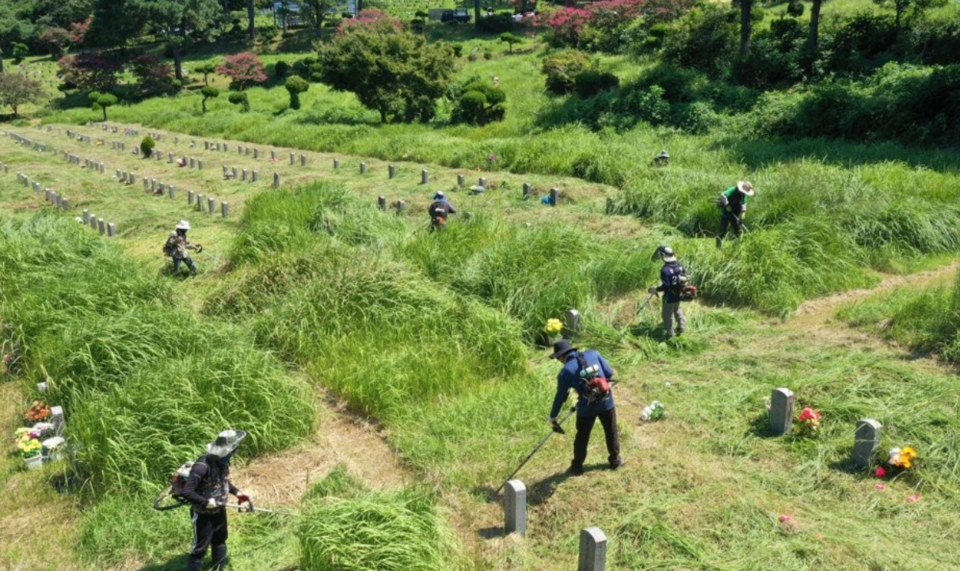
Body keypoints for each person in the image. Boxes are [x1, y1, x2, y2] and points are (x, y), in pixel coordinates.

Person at [548, 339, 622, 475]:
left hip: (586, 408)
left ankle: (577, 467)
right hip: (606, 401)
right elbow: (609, 372)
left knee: (582, 436)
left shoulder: (565, 372)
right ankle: (615, 460)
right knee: (611, 431)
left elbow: (560, 397)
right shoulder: (594, 353)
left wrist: (553, 416)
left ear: (560, 356)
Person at [180, 430, 251, 571]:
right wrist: (206, 502)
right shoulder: (201, 467)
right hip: (203, 515)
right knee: (199, 548)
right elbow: (187, 492)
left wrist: (238, 494)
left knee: (220, 539)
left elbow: (224, 482)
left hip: (219, 509)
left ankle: (219, 567)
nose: (234, 452)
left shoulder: (223, 463)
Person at [649, 246, 687, 338]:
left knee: (667, 315)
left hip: (669, 296)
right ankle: (681, 327)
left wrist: (656, 289)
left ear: (663, 256)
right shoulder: (680, 265)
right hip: (679, 293)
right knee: (677, 309)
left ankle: (670, 333)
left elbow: (666, 285)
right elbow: (685, 277)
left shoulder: (665, 269)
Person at [716, 181, 753, 248]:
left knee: (739, 231)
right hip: (726, 213)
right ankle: (718, 247)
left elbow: (744, 205)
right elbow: (722, 195)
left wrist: (742, 216)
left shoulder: (744, 195)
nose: (743, 192)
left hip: (735, 215)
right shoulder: (733, 189)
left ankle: (736, 246)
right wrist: (727, 205)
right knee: (722, 231)